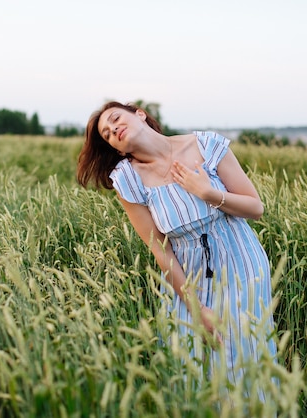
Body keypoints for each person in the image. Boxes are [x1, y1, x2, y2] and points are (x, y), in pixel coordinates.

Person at [76, 100, 277, 393]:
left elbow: (255, 207)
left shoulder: (206, 145)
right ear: (117, 149)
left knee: (242, 358)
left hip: (241, 264)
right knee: (193, 366)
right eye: (106, 134)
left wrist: (209, 192)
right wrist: (195, 307)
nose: (113, 129)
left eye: (116, 119)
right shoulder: (128, 180)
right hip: (187, 277)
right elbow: (160, 249)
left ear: (140, 115)